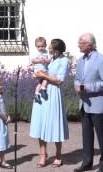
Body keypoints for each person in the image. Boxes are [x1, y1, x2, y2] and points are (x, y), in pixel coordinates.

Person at [73, 33, 103, 172]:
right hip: (84, 103)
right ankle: (87, 163)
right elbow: (77, 78)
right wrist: (77, 86)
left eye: (81, 42)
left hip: (98, 104)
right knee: (86, 136)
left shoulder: (101, 60)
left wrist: (87, 88)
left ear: (90, 44)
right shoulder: (80, 60)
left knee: (102, 136)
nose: (78, 44)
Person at [29, 39, 70, 168]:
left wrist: (44, 76)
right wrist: (37, 74)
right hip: (42, 91)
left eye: (51, 47)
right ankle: (42, 154)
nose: (48, 49)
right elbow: (37, 70)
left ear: (56, 49)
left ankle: (58, 155)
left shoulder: (64, 61)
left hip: (53, 93)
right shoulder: (48, 58)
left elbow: (59, 80)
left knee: (55, 123)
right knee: (41, 123)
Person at [30, 37, 50, 102]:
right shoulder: (36, 53)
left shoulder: (46, 52)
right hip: (38, 70)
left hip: (44, 69)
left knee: (40, 82)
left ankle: (36, 93)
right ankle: (43, 88)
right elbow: (33, 60)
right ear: (36, 46)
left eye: (42, 46)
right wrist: (39, 61)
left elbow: (49, 60)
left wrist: (46, 60)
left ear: (45, 46)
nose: (40, 48)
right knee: (47, 78)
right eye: (38, 47)